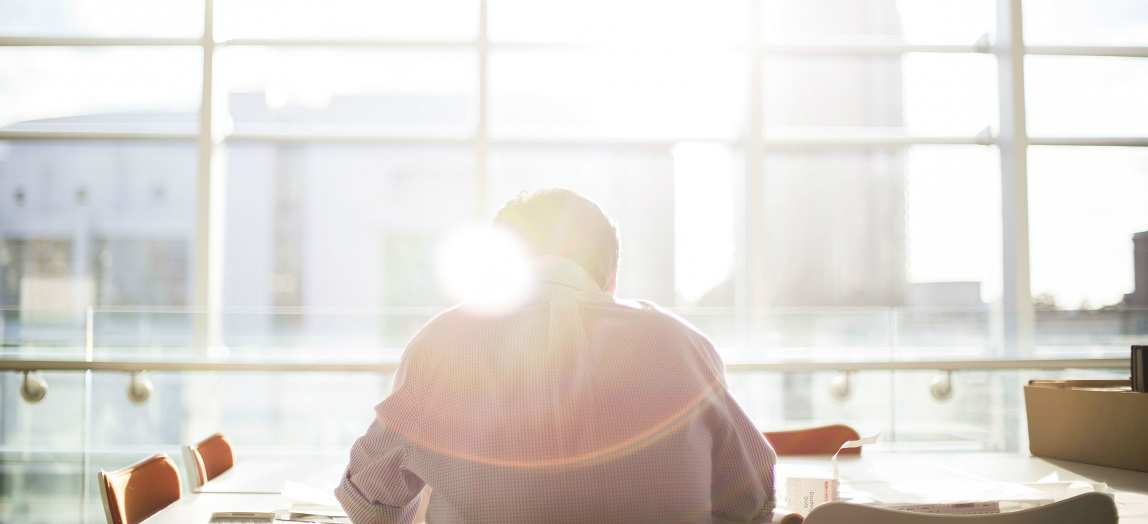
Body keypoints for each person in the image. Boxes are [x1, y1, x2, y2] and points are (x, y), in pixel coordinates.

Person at [336, 189, 775, 523]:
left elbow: (368, 500)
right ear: (610, 276)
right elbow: (752, 498)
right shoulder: (682, 345)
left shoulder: (444, 342)